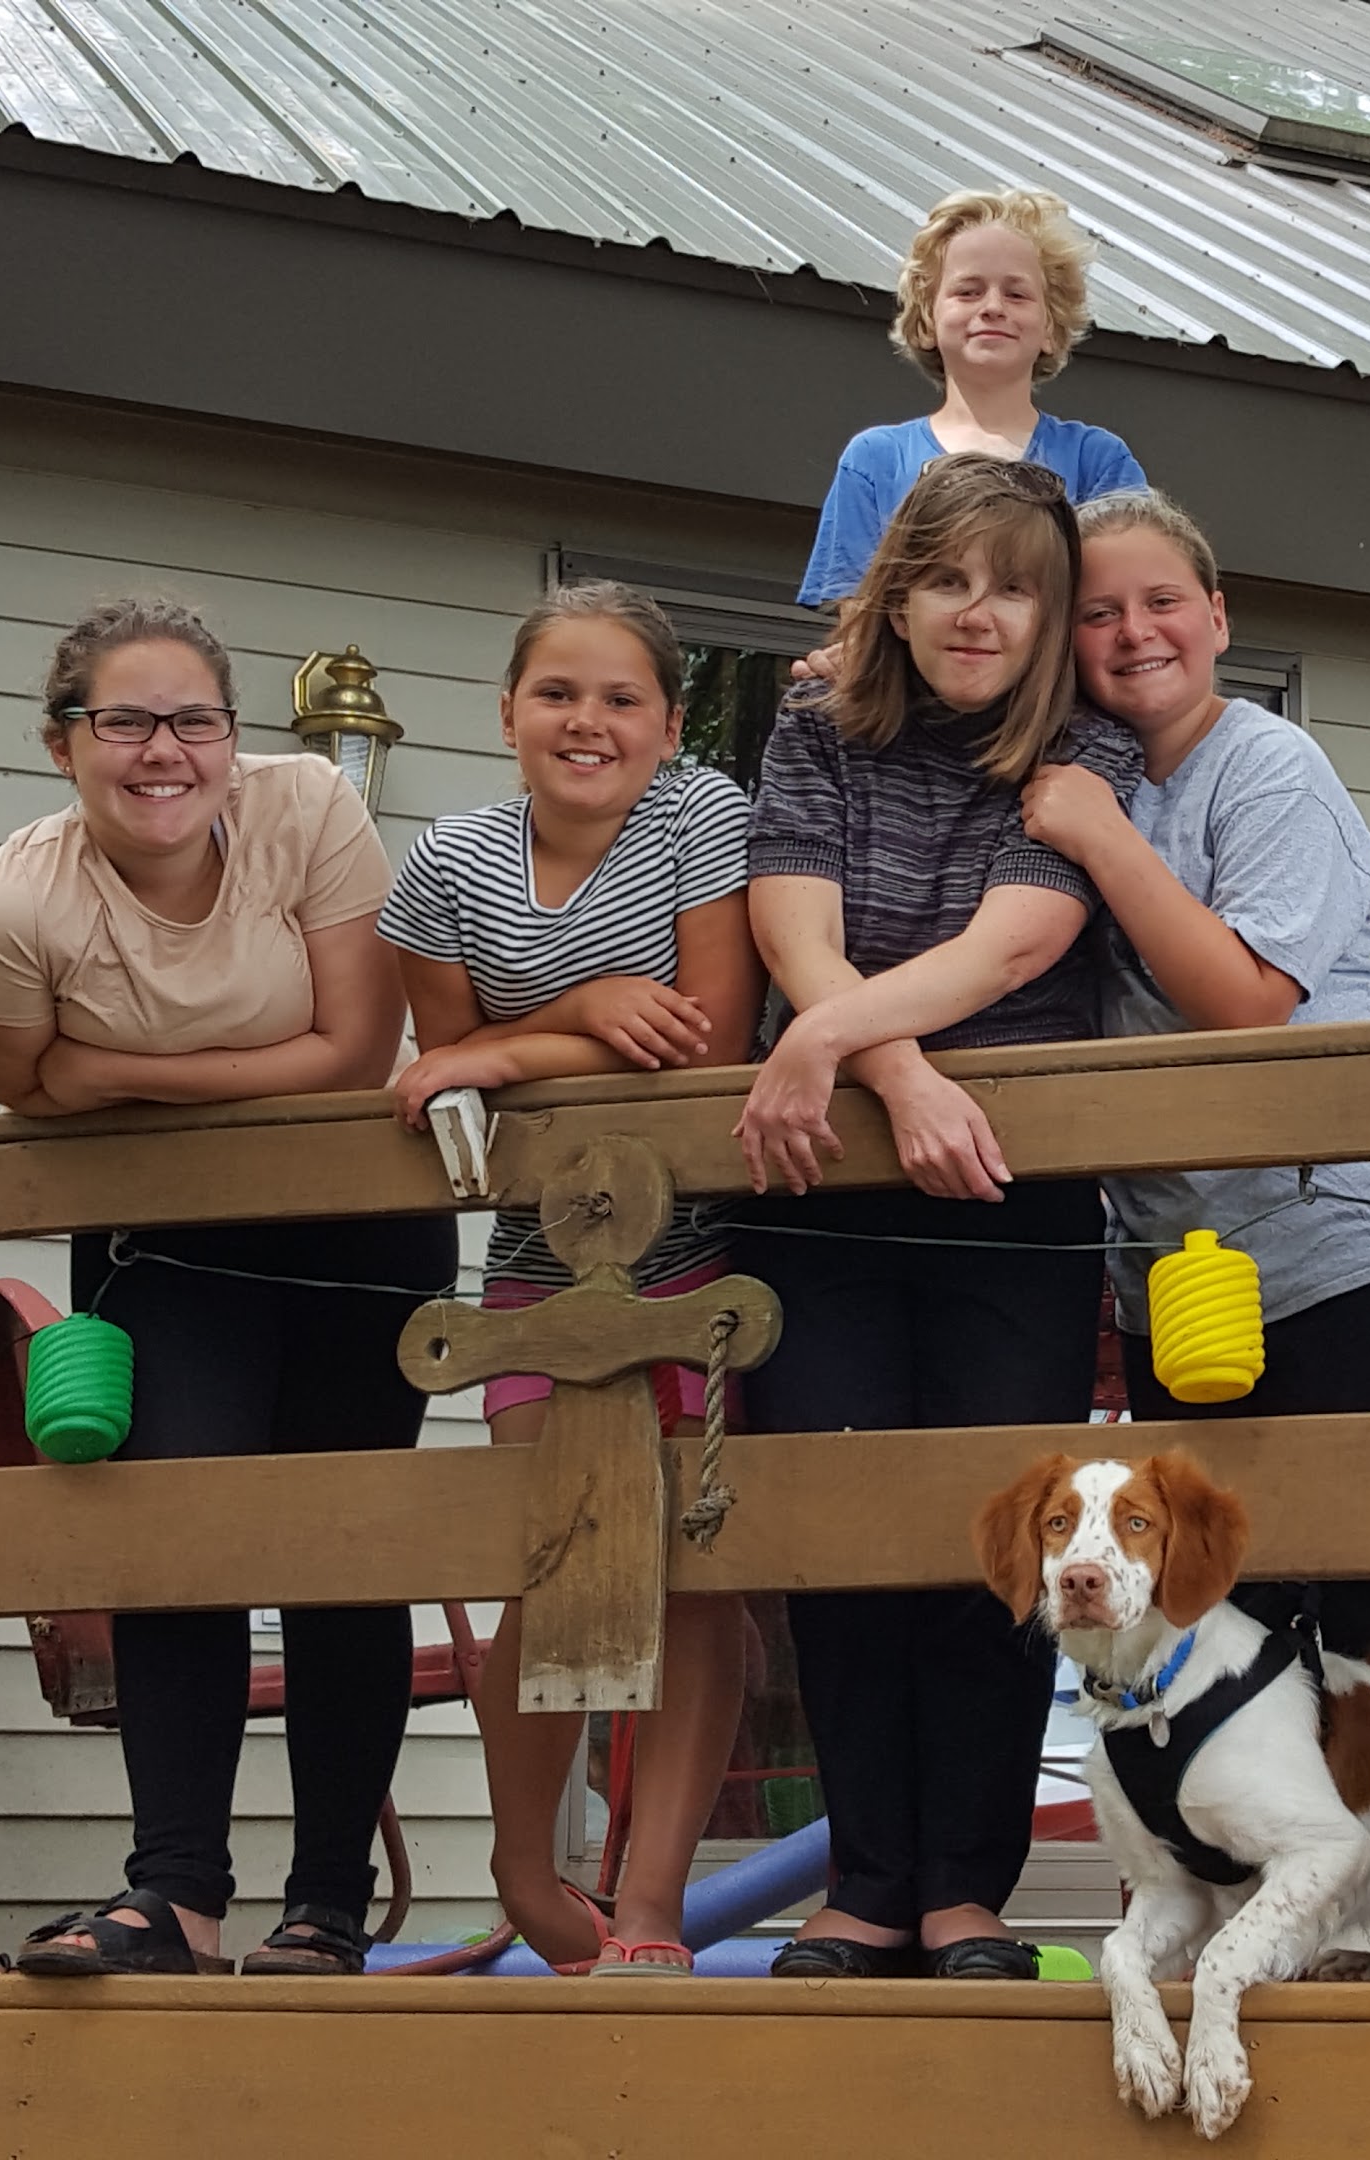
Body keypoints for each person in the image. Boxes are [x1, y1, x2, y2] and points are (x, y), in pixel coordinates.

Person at [0, 597, 447, 1979]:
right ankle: (176, 1899)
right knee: (175, 1540)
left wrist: (123, 1075)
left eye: (194, 720)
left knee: (346, 1555)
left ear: (231, 736)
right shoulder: (2, 916)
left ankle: (326, 1908)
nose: (164, 750)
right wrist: (98, 1090)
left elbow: (352, 1053)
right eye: (126, 721)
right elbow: (29, 1093)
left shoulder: (313, 806)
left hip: (357, 1227)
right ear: (63, 743)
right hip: (169, 1245)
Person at [729, 453, 1143, 1979]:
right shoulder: (813, 730)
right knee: (843, 1540)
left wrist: (834, 1043)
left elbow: (1011, 948)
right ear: (896, 590)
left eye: (1017, 587)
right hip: (820, 1195)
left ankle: (967, 1887)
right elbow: (793, 925)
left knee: (997, 1545)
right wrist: (889, 1072)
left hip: (1011, 1204)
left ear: (1052, 616)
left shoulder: (1080, 757)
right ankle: (866, 1884)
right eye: (950, 579)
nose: (980, 612)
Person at [377, 582, 763, 1976]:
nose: (585, 722)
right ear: (506, 714)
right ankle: (526, 1864)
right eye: (557, 694)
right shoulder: (443, 867)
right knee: (549, 1560)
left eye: (619, 700)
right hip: (536, 1259)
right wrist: (585, 1014)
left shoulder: (701, 818)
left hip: (703, 1248)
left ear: (667, 726)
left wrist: (514, 1039)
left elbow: (710, 1036)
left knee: (694, 1573)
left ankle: (653, 1902)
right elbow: (448, 1089)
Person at [1017, 488, 1370, 1668]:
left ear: (1217, 616)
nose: (1135, 631)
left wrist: (1103, 837)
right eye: (1097, 613)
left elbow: (1249, 997)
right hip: (1177, 1277)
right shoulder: (1067, 776)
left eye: (1161, 601)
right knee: (1218, 1612)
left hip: (1346, 1252)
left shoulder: (1267, 765)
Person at [797, 188, 1148, 611]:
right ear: (927, 321)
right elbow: (853, 615)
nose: (993, 307)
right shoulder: (875, 460)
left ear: (1051, 330)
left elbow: (1129, 597)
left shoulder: (1097, 460)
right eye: (968, 291)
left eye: (1017, 294)